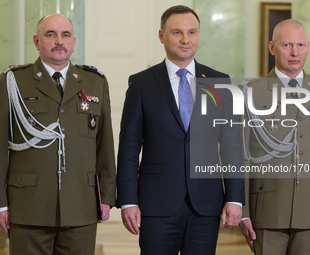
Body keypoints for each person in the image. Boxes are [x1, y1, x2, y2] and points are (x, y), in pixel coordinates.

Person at [116, 5, 245, 255]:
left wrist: (234, 197)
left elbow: (232, 146)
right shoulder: (141, 84)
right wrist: (128, 201)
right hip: (156, 204)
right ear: (162, 36)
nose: (186, 40)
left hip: (205, 205)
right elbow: (129, 149)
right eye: (177, 32)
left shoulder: (219, 82)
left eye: (192, 32)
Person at [0, 14, 116, 254]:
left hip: (81, 205)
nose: (58, 41)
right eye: (50, 35)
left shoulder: (95, 82)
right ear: (36, 41)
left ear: (73, 41)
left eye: (65, 35)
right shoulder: (12, 82)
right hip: (29, 205)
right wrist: (1, 204)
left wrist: (107, 195)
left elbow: (104, 147)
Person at [239, 19, 310, 255]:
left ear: (308, 47)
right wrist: (242, 209)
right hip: (267, 209)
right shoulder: (251, 92)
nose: (295, 52)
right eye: (287, 45)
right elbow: (240, 157)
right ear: (272, 48)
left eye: (301, 45)